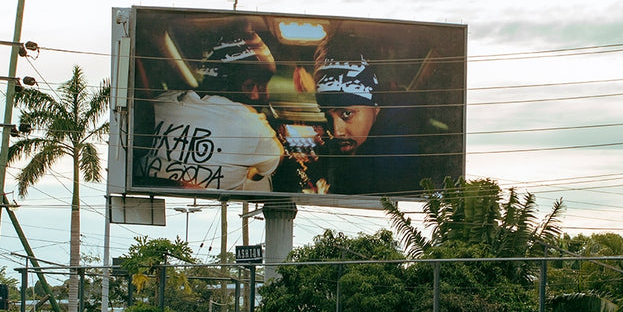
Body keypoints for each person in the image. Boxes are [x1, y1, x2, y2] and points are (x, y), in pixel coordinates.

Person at [135, 34, 283, 192]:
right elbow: (275, 161)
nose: (260, 95)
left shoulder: (160, 104)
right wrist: (251, 171)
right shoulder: (252, 126)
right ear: (227, 83)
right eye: (251, 85)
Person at [310, 34, 421, 195]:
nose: (336, 132)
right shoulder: (359, 147)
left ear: (376, 106)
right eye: (328, 117)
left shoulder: (398, 159)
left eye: (346, 114)